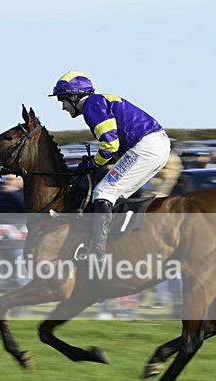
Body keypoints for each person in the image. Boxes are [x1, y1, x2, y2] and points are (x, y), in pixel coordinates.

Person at [49, 71, 171, 262]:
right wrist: (100, 163)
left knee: (103, 192)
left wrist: (92, 164)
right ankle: (122, 241)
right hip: (157, 145)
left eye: (63, 100)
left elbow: (110, 144)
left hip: (146, 147)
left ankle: (98, 253)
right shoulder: (98, 102)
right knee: (116, 195)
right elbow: (115, 147)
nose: (63, 107)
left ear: (74, 96)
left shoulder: (91, 106)